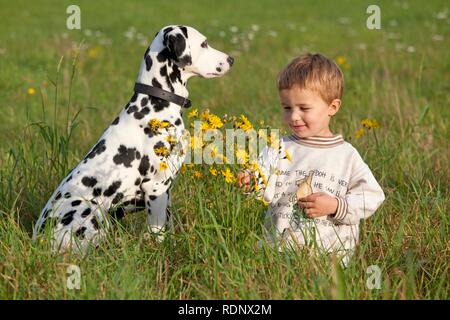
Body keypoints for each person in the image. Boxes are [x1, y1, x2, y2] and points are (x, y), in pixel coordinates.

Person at [237, 53, 385, 265]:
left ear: (332, 107)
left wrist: (335, 205)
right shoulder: (279, 147)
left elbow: (371, 196)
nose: (294, 116)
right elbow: (261, 180)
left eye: (304, 108)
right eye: (287, 108)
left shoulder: (346, 155)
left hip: (329, 258)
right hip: (277, 252)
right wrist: (250, 181)